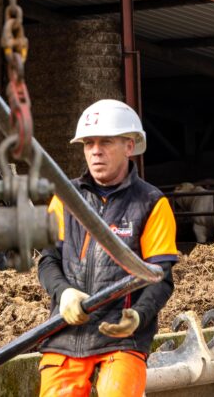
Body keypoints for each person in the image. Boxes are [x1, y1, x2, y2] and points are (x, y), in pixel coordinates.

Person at [37, 99, 179, 397]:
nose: (95, 151)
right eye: (88, 143)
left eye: (105, 142)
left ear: (130, 146)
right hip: (65, 334)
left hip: (121, 338)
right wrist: (63, 293)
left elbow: (160, 277)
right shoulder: (64, 198)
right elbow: (48, 259)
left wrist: (138, 316)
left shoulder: (150, 203)